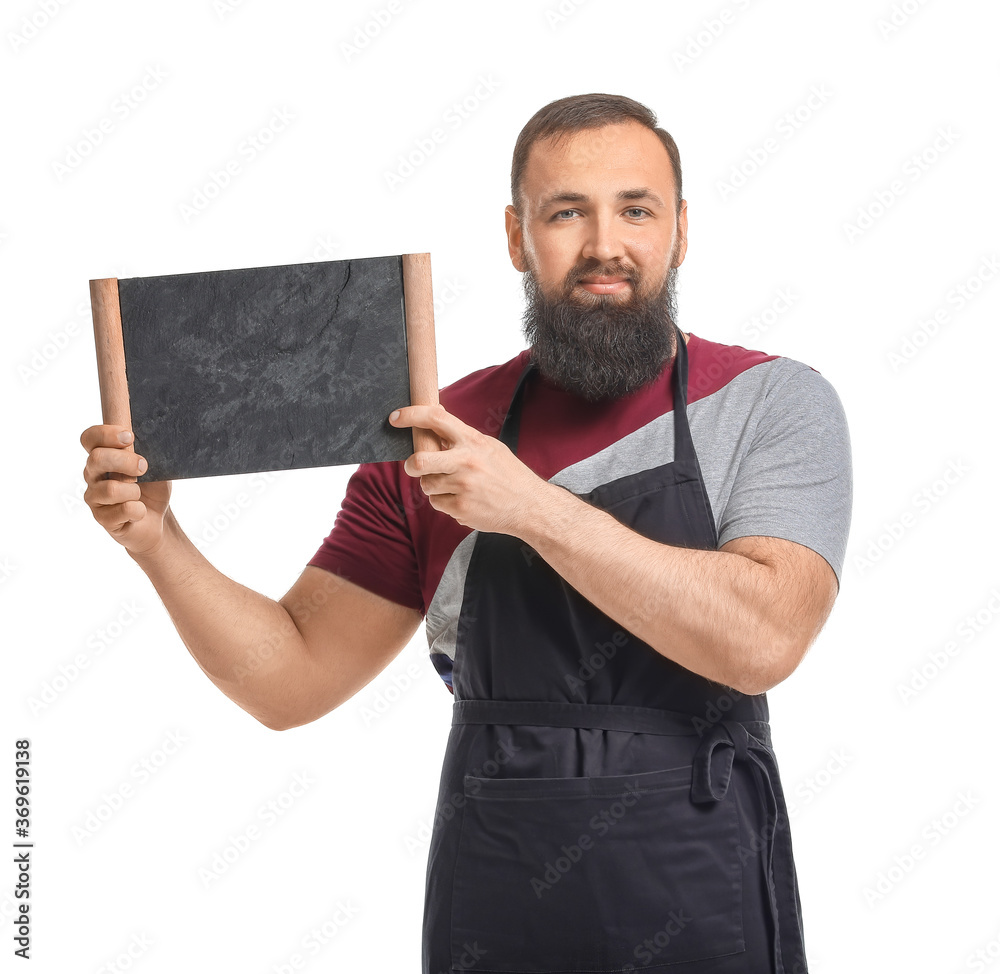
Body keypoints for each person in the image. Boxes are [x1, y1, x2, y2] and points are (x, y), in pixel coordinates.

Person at [81, 93, 851, 974]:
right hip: (495, 897)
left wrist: (526, 505)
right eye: (567, 212)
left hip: (700, 893)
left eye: (636, 210)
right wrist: (157, 539)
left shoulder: (771, 403)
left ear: (680, 229)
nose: (606, 245)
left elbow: (762, 638)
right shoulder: (431, 433)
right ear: (518, 238)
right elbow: (288, 681)